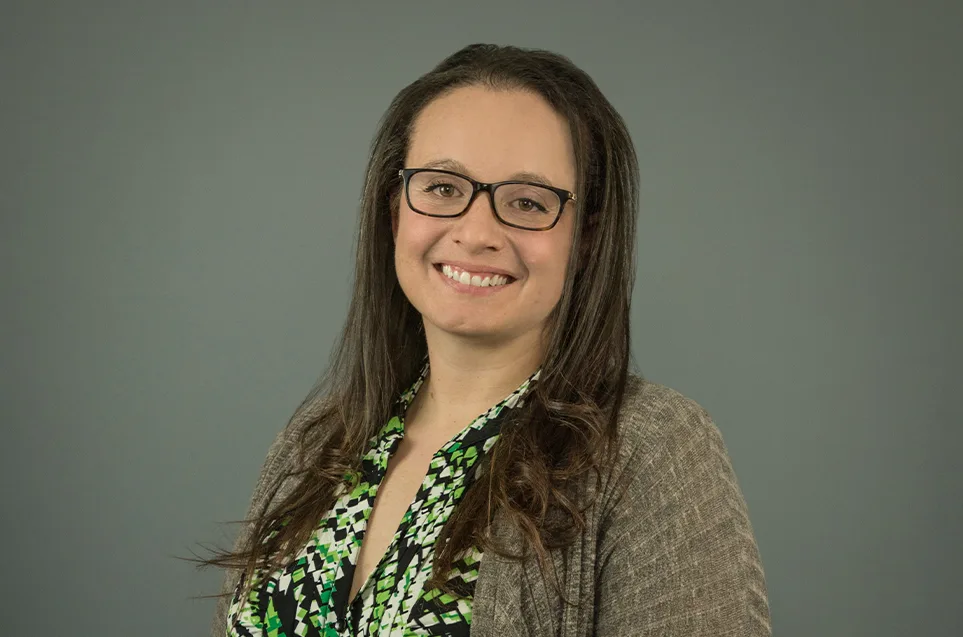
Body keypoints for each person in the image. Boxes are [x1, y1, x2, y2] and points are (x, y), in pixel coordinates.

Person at [202, 43, 771, 636]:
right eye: (443, 188)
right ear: (395, 211)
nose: (476, 233)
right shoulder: (314, 444)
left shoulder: (649, 450)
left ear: (586, 239)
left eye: (527, 202)